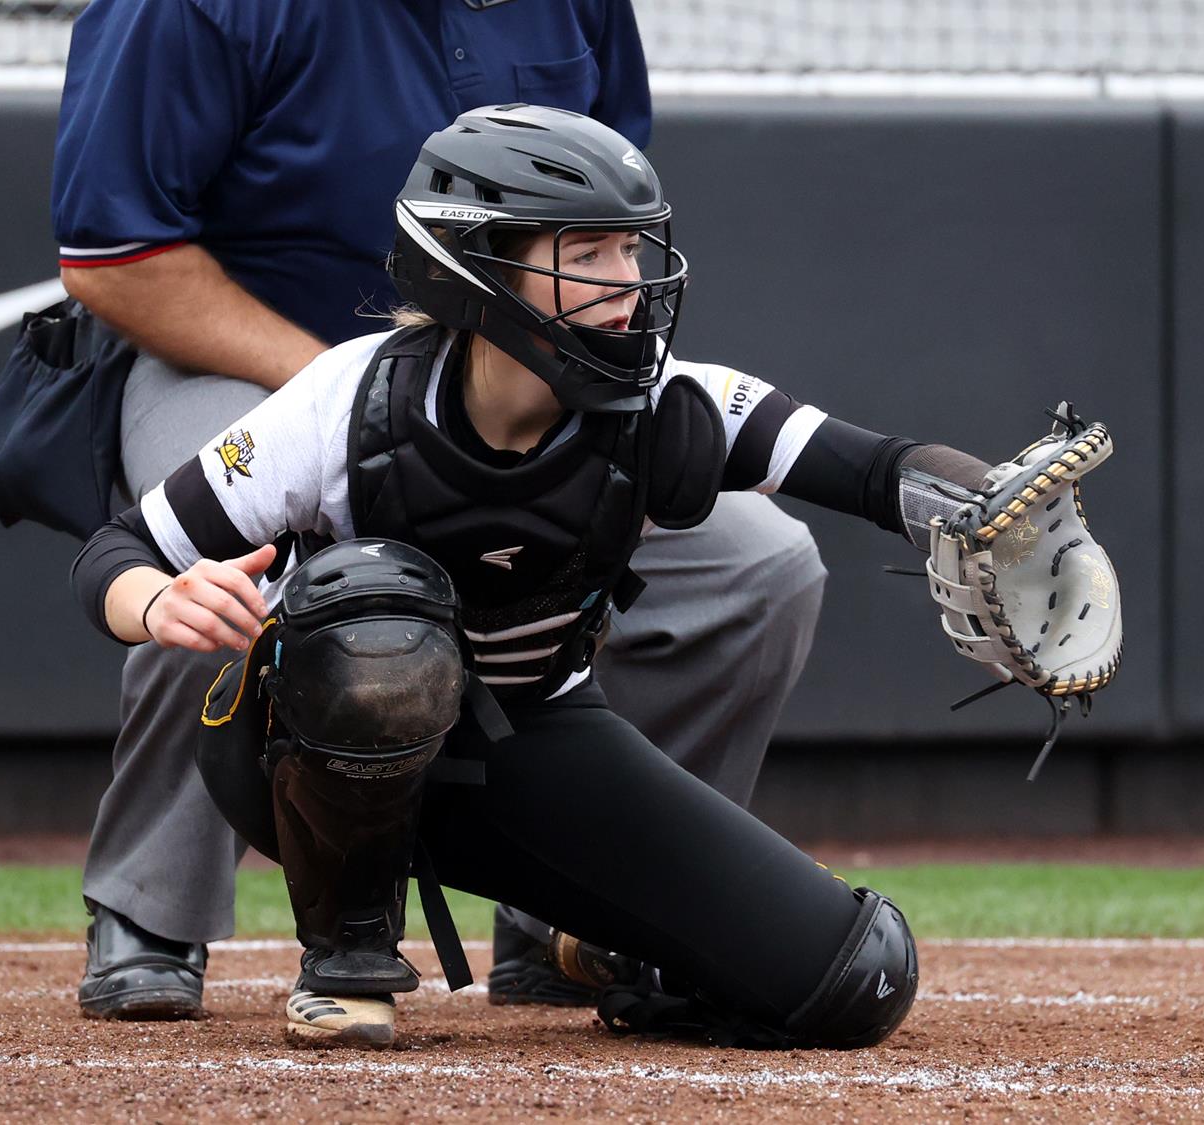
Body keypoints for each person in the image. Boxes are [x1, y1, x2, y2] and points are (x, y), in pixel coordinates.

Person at [70, 105, 1119, 1048]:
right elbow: (117, 553)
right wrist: (160, 601)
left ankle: (595, 947)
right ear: (472, 265)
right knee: (373, 621)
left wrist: (984, 506)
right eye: (586, 251)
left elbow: (871, 467)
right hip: (298, 756)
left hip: (534, 746)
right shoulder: (341, 403)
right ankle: (345, 955)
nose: (626, 281)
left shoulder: (671, 401)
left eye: (632, 246)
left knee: (851, 980)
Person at [52, 0, 827, 1020]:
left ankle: (597, 919)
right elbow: (120, 256)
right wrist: (368, 413)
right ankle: (152, 912)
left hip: (512, 375)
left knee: (758, 568)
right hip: (242, 365)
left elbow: (603, 211)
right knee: (223, 559)